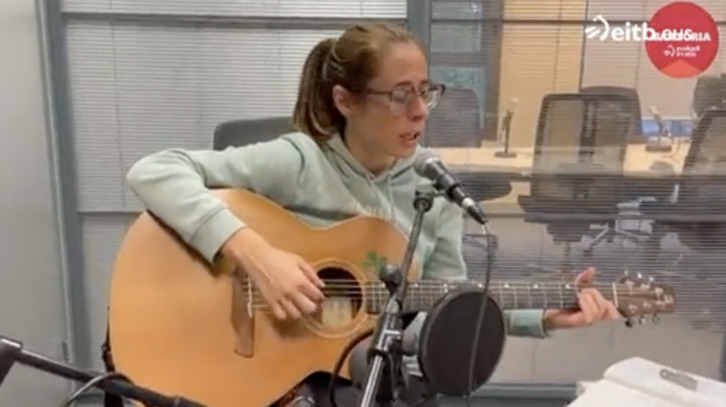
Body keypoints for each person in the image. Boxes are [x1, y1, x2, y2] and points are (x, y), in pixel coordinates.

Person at [125, 22, 620, 407]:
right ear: (345, 100)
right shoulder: (301, 162)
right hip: (279, 372)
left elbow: (445, 301)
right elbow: (155, 171)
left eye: (425, 91)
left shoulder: (433, 187)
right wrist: (257, 254)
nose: (420, 111)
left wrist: (540, 315)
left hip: (359, 369)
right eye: (400, 94)